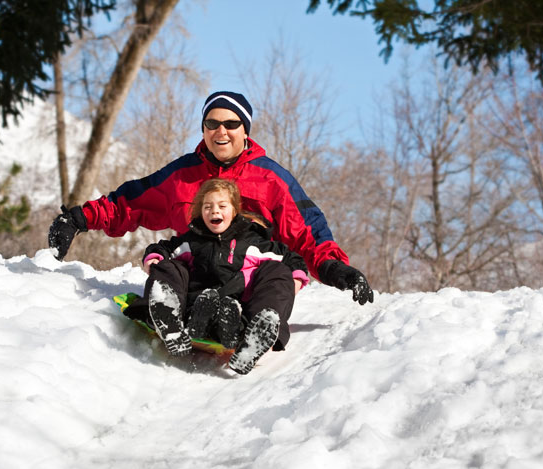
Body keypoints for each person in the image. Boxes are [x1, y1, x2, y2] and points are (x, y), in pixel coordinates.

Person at [49, 90, 373, 311]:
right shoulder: (182, 175)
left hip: (249, 284)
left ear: (245, 130)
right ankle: (166, 310)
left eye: (231, 124)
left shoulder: (271, 179)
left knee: (277, 276)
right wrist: (78, 219)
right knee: (168, 265)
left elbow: (306, 231)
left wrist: (335, 269)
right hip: (195, 280)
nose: (221, 131)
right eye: (212, 123)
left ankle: (260, 320)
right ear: (204, 130)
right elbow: (130, 203)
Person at [133, 178, 309, 374]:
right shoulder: (192, 240)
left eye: (222, 206)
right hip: (192, 307)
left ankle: (256, 334)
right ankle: (169, 318)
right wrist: (155, 258)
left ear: (234, 211)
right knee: (170, 266)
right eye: (207, 207)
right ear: (201, 212)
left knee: (277, 271)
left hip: (239, 313)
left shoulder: (253, 242)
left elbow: (290, 257)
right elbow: (163, 248)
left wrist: (295, 277)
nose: (214, 211)